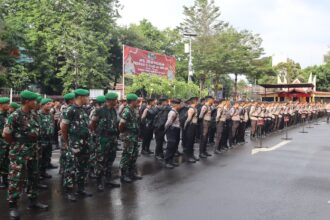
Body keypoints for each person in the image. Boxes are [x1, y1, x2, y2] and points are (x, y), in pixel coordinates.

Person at [3, 90, 48, 220]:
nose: (36, 103)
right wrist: (17, 145)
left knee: (34, 175)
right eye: (34, 101)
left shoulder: (35, 114)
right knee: (16, 178)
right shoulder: (15, 116)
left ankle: (33, 200)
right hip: (19, 152)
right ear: (27, 102)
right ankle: (13, 205)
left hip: (34, 150)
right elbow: (6, 134)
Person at [61, 89, 92, 202]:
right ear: (81, 97)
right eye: (87, 97)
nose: (88, 99)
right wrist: (67, 141)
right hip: (74, 143)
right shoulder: (70, 110)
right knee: (71, 167)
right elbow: (63, 127)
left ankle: (81, 188)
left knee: (83, 167)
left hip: (85, 143)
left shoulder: (83, 110)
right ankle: (69, 191)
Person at [90, 92, 121, 191]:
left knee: (110, 160)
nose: (117, 101)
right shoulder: (99, 111)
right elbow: (93, 124)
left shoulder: (113, 110)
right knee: (100, 161)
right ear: (110, 101)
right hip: (103, 139)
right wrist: (98, 134)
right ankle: (99, 182)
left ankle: (108, 180)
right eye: (115, 99)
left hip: (112, 138)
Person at [119, 93, 142, 183]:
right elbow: (121, 124)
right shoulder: (127, 111)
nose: (138, 103)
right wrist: (124, 133)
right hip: (129, 136)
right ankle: (123, 175)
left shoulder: (134, 110)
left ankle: (131, 173)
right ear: (133, 101)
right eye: (137, 101)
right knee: (127, 155)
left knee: (134, 155)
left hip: (134, 135)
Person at [88, 96, 106, 179]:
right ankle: (91, 171)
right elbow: (92, 124)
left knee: (98, 154)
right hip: (95, 135)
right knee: (93, 153)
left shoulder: (101, 110)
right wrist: (94, 132)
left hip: (99, 135)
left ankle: (95, 169)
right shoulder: (96, 110)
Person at [58, 93, 75, 176]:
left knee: (64, 152)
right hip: (66, 134)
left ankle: (62, 169)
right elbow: (62, 124)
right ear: (71, 100)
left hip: (64, 133)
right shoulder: (68, 110)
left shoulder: (65, 109)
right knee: (66, 153)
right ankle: (65, 170)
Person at [38, 98, 55, 179]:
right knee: (39, 157)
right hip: (41, 140)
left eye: (50, 104)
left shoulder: (50, 115)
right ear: (42, 105)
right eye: (47, 104)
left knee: (47, 156)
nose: (49, 105)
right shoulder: (38, 115)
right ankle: (37, 174)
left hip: (49, 139)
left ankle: (43, 172)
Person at [164, 99, 182, 169]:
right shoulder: (172, 112)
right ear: (175, 105)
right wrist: (166, 130)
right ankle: (167, 161)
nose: (179, 105)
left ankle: (171, 160)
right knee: (170, 145)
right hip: (172, 129)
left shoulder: (176, 111)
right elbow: (168, 123)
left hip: (176, 129)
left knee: (174, 146)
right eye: (178, 104)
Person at [182, 97, 199, 163]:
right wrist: (185, 126)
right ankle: (188, 156)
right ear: (194, 102)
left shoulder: (194, 108)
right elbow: (188, 119)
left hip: (193, 126)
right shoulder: (191, 109)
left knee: (192, 141)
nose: (197, 102)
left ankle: (192, 155)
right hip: (190, 126)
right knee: (189, 141)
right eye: (196, 101)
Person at [0, 97, 10, 189]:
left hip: (6, 143)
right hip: (1, 143)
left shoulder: (7, 115)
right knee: (1, 162)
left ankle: (5, 180)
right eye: (6, 103)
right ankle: (3, 180)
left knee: (6, 162)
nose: (9, 105)